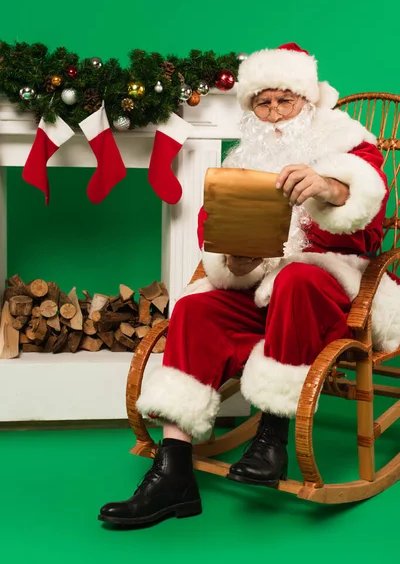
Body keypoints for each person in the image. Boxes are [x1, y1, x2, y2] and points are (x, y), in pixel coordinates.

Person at [98, 43, 400, 527]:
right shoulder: (243, 159)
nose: (275, 113)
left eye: (286, 100)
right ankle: (173, 471)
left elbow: (370, 223)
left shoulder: (347, 143)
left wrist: (328, 188)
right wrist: (234, 260)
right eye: (263, 102)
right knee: (196, 308)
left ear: (308, 100)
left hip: (328, 293)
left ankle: (273, 439)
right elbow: (211, 230)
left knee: (298, 277)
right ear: (251, 108)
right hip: (259, 289)